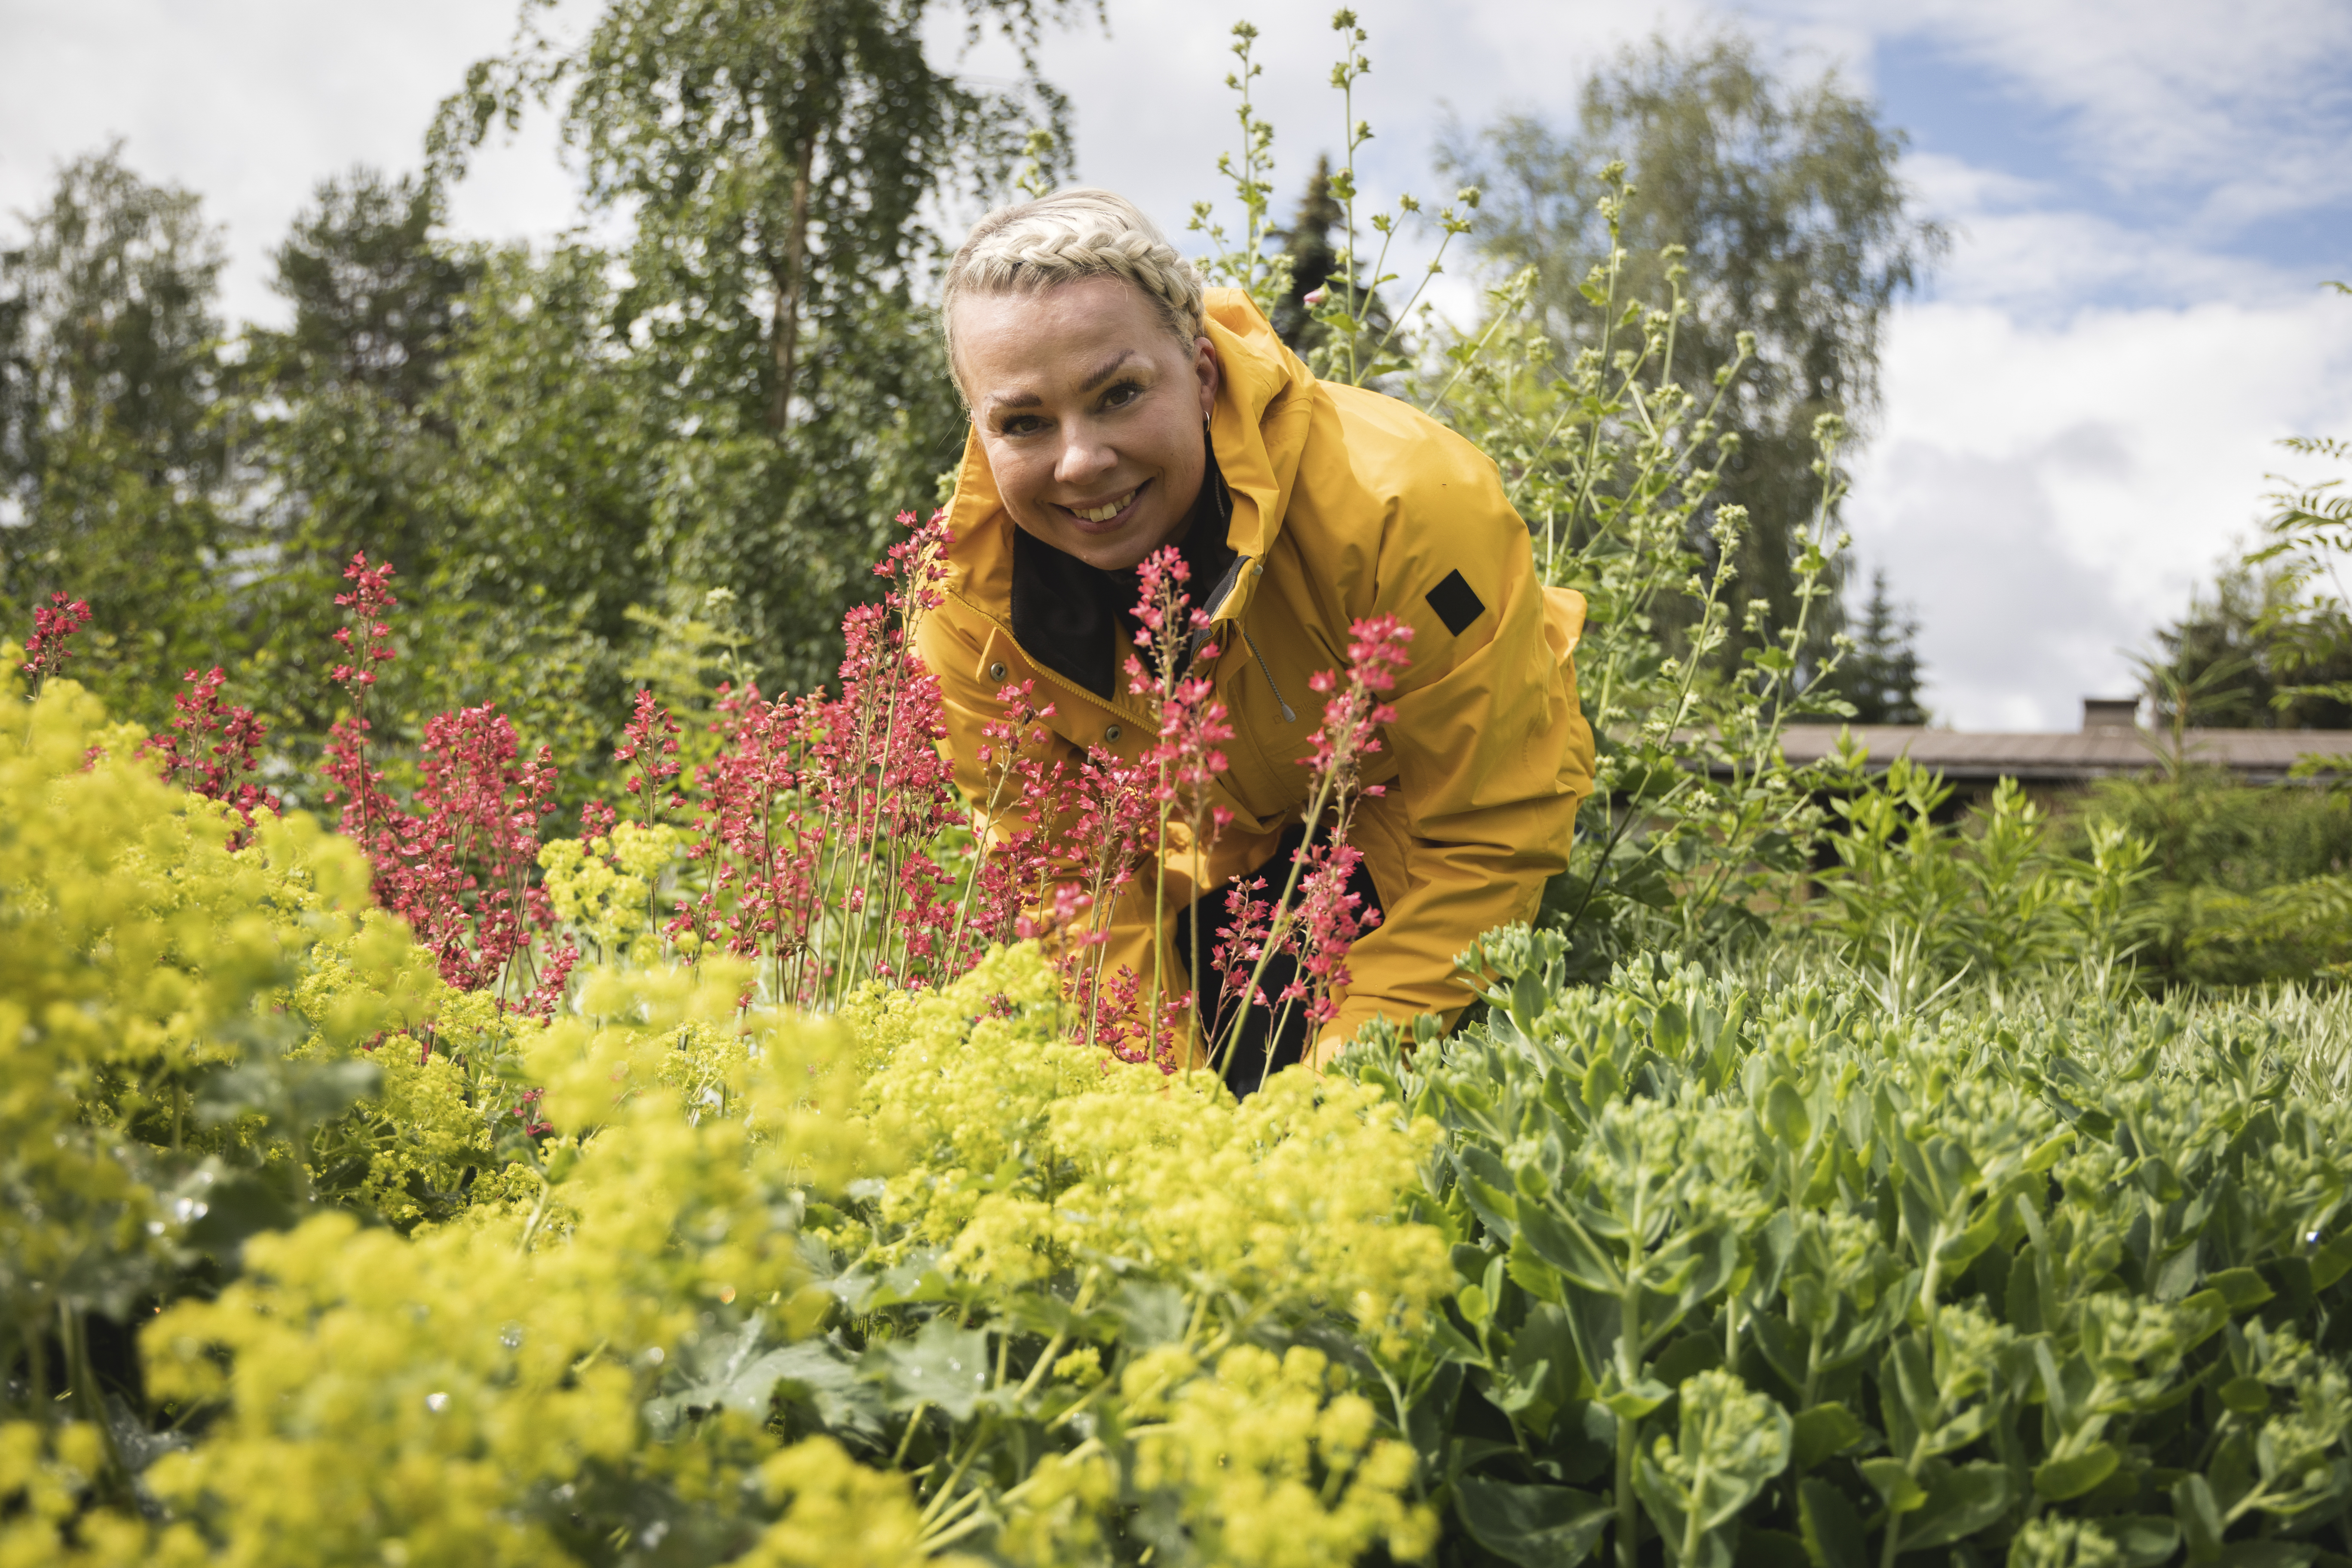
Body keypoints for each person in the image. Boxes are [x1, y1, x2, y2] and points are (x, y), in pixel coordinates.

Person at [919, 187, 1595, 1091]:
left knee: (1307, 1074)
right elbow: (1062, 885)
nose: (1079, 461)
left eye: (1118, 395)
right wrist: (1163, 1111)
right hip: (1227, 845)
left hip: (1415, 813)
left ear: (1201, 376)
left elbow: (1488, 825)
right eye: (1024, 422)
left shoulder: (1404, 503)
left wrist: (1332, 1092)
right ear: (980, 430)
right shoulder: (968, 604)